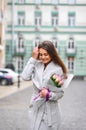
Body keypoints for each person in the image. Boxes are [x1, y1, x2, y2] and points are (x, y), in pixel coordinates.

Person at [21, 40, 67, 130]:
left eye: (46, 54)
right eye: (41, 54)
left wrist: (49, 95)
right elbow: (24, 77)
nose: (43, 57)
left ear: (52, 54)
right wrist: (33, 59)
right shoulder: (36, 64)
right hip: (36, 107)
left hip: (50, 111)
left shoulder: (58, 69)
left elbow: (60, 93)